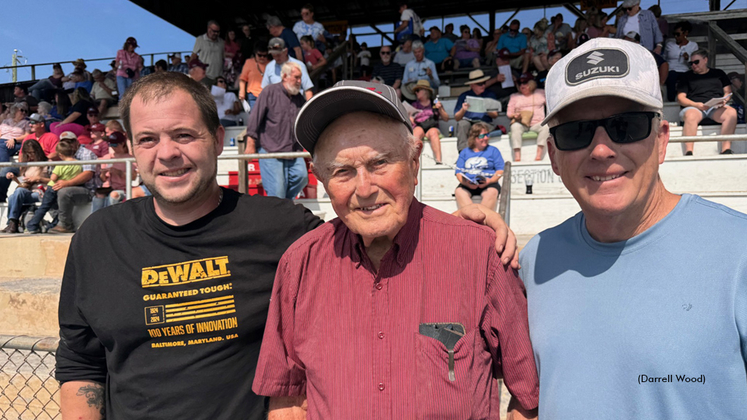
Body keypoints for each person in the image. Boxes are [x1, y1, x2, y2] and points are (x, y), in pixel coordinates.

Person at [55, 71, 518, 420]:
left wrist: (464, 224)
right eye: (148, 139)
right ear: (133, 149)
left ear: (219, 140)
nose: (167, 153)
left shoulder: (284, 230)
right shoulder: (97, 239)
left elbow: (370, 218)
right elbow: (80, 360)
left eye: (183, 135)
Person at [253, 80, 538, 420]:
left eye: (380, 163)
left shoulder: (480, 254)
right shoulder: (298, 265)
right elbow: (288, 403)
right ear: (321, 178)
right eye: (342, 171)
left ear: (414, 161)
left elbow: (528, 398)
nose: (364, 189)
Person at [520, 37, 747, 419]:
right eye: (576, 131)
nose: (602, 150)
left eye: (625, 126)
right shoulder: (535, 258)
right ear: (554, 157)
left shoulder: (739, 251)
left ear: (661, 142)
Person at [246, 62, 308, 199]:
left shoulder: (299, 98)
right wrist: (250, 142)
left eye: (300, 78)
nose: (299, 81)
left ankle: (282, 205)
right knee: (277, 193)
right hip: (270, 149)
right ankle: (280, 208)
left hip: (293, 150)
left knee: (302, 176)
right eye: (296, 77)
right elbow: (255, 116)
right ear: (285, 76)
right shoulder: (270, 91)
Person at [26, 133, 98, 234]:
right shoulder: (75, 162)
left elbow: (87, 174)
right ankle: (52, 224)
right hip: (63, 187)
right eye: (63, 142)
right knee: (56, 197)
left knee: (58, 196)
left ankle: (63, 225)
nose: (67, 144)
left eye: (69, 141)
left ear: (76, 142)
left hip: (85, 189)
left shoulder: (86, 154)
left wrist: (66, 183)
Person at [677, 48, 737, 155]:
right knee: (691, 115)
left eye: (696, 62)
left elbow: (728, 91)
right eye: (691, 63)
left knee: (731, 113)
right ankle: (689, 151)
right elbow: (681, 98)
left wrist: (724, 101)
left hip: (715, 107)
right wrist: (696, 105)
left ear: (705, 60)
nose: (694, 65)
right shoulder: (686, 76)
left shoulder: (719, 73)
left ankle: (726, 149)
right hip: (694, 107)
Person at [1, 139, 50, 234]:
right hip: (29, 192)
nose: (30, 155)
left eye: (32, 153)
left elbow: (53, 181)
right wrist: (14, 177)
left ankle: (12, 223)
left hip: (41, 192)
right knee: (13, 196)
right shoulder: (26, 165)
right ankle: (12, 222)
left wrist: (38, 178)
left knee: (17, 194)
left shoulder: (47, 163)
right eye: (28, 153)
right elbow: (23, 183)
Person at [455, 122, 504, 210]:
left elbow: (500, 170)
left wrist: (489, 181)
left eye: (487, 135)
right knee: (459, 192)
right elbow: (458, 172)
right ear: (474, 138)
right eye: (482, 136)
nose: (485, 138)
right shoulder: (465, 152)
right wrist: (467, 183)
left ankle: (482, 218)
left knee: (492, 192)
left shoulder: (493, 150)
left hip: (489, 183)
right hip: (469, 183)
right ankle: (472, 216)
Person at [454, 70, 498, 152]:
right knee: (462, 124)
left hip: (485, 122)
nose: (483, 86)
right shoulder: (464, 96)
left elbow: (495, 115)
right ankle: (463, 152)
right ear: (472, 85)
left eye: (484, 83)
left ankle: (473, 153)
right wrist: (463, 110)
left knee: (476, 128)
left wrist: (487, 108)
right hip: (469, 122)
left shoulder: (490, 95)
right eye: (480, 84)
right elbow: (457, 117)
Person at [507, 78, 549, 161]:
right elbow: (509, 113)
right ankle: (517, 157)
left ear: (531, 83)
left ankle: (538, 156)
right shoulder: (514, 96)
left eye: (525, 83)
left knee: (546, 126)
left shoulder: (540, 92)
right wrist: (515, 115)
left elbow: (550, 105)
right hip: (522, 123)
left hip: (537, 123)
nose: (522, 85)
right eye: (520, 83)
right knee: (514, 127)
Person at [92, 131, 135, 212]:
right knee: (99, 195)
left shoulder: (131, 159)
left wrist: (119, 172)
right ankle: (94, 220)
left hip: (124, 189)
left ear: (122, 143)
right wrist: (103, 173)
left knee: (113, 195)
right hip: (109, 187)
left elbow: (134, 177)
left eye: (115, 145)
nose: (113, 147)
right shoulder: (107, 157)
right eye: (111, 144)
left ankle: (111, 220)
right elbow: (103, 179)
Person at [409, 80, 448, 163]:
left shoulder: (435, 104)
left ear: (425, 91)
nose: (416, 93)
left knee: (433, 132)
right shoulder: (414, 105)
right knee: (417, 132)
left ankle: (439, 160)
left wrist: (440, 108)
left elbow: (446, 118)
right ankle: (412, 161)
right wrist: (410, 119)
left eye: (418, 90)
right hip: (419, 126)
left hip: (432, 126)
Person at [664, 22, 698, 102]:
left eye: (678, 34)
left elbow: (696, 61)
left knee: (686, 78)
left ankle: (683, 98)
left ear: (686, 33)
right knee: (671, 76)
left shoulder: (693, 45)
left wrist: (688, 58)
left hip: (685, 69)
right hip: (671, 69)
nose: (676, 37)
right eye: (674, 34)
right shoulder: (670, 45)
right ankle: (671, 99)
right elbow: (664, 58)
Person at [239, 41, 270, 112]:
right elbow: (243, 78)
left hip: (268, 95)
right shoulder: (249, 62)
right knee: (255, 119)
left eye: (265, 56)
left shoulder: (271, 63)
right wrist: (242, 92)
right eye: (259, 55)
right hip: (253, 95)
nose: (262, 57)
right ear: (255, 54)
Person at [193, 20, 225, 86]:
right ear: (209, 29)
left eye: (218, 32)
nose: (216, 34)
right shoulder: (200, 39)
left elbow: (224, 58)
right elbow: (193, 56)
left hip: (218, 77)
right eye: (214, 31)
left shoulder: (222, 42)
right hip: (205, 76)